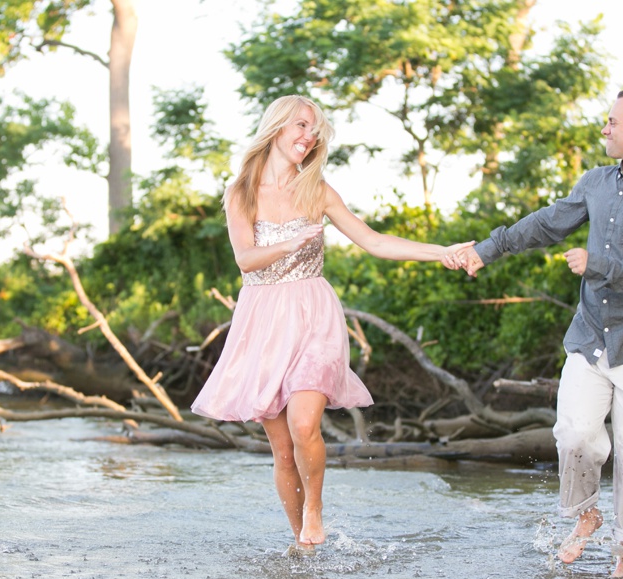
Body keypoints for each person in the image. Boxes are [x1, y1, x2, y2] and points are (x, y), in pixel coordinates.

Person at [192, 95, 471, 553]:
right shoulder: (240, 190)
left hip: (312, 314)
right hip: (262, 322)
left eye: (315, 129)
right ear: (277, 127)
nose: (309, 136)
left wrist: (442, 252)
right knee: (283, 449)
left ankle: (316, 514)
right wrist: (288, 244)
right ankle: (301, 543)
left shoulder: (317, 190)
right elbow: (245, 258)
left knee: (305, 426)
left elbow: (374, 241)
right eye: (301, 125)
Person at [453, 89, 623, 577]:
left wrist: (597, 264)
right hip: (589, 337)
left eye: (612, 122)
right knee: (576, 434)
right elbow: (546, 224)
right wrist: (488, 248)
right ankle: (586, 513)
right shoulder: (595, 182)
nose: (604, 130)